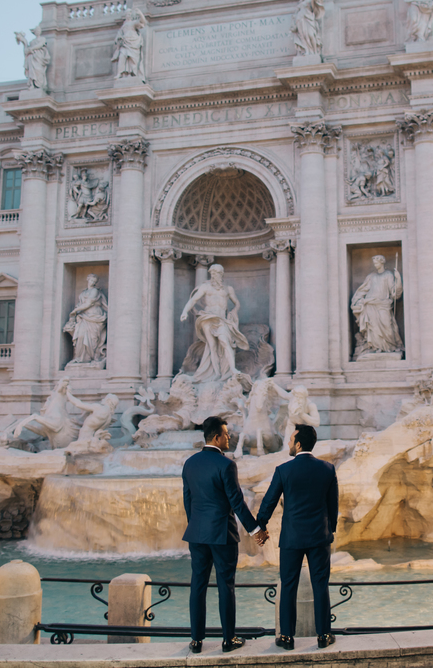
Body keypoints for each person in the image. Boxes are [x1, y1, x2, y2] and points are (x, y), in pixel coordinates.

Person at [181, 416, 264, 654]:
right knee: (225, 586)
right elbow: (236, 502)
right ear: (217, 437)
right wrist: (256, 529)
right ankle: (228, 639)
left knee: (198, 585)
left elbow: (188, 499)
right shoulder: (226, 464)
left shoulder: (190, 463)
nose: (229, 438)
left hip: (197, 534)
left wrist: (196, 524)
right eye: (226, 434)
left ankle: (196, 641)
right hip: (222, 535)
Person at [255, 424, 339, 650]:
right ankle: (323, 635)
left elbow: (269, 502)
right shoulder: (327, 469)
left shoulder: (284, 470)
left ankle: (286, 637)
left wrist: (259, 527)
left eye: (291, 440)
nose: (289, 443)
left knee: (288, 585)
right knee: (320, 584)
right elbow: (333, 506)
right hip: (319, 537)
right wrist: (330, 529)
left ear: (299, 444)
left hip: (292, 538)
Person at [179, 264, 248, 381]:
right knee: (212, 346)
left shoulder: (228, 289)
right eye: (214, 273)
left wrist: (234, 311)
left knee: (225, 341)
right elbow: (193, 300)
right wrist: (184, 311)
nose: (216, 275)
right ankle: (216, 373)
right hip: (208, 318)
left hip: (221, 319)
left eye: (219, 273)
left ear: (222, 274)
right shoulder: (205, 287)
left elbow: (237, 303)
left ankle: (232, 369)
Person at [351, 255, 404, 358]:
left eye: (376, 263)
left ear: (382, 262)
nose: (375, 265)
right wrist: (357, 300)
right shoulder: (371, 276)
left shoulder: (388, 275)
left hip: (383, 305)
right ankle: (375, 348)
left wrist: (398, 280)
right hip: (370, 305)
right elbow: (363, 290)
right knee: (373, 328)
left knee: (387, 326)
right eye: (374, 263)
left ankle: (389, 347)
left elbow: (394, 293)